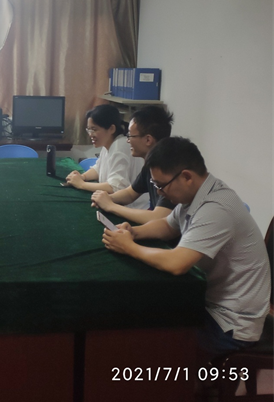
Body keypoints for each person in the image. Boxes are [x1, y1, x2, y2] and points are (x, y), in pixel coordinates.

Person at [102, 137, 271, 359]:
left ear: (187, 177)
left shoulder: (216, 207)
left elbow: (177, 263)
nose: (159, 193)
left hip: (230, 323)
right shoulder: (199, 194)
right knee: (143, 313)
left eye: (161, 185)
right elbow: (168, 226)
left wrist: (129, 247)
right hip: (211, 303)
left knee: (146, 342)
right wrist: (134, 232)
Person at [91, 106, 176, 224]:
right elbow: (130, 194)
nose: (128, 140)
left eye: (130, 135)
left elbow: (158, 217)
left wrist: (111, 206)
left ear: (148, 140)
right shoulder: (150, 164)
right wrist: (107, 198)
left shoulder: (169, 169)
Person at [66, 104, 149, 210]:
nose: (90, 134)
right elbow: (98, 168)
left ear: (111, 129)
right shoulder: (109, 144)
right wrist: (82, 177)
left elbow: (115, 187)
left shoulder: (119, 147)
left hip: (132, 209)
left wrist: (81, 184)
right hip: (116, 203)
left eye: (94, 129)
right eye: (89, 130)